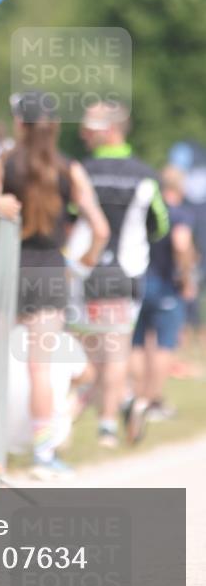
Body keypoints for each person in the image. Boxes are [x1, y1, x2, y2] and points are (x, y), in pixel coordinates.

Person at [0, 91, 109, 479]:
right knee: (41, 368)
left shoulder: (4, 162)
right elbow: (100, 230)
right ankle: (43, 455)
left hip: (6, 269)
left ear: (19, 123)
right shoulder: (69, 169)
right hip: (50, 272)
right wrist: (78, 262)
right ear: (54, 126)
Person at [68, 100, 169, 446]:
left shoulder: (81, 170)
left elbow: (69, 217)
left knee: (88, 354)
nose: (82, 135)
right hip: (126, 274)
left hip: (85, 272)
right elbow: (159, 226)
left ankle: (71, 418)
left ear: (107, 130)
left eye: (88, 129)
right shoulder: (146, 175)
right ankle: (109, 425)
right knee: (116, 352)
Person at [129, 165, 198, 423]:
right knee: (164, 344)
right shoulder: (179, 213)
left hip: (137, 281)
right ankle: (152, 402)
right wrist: (186, 275)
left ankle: (136, 396)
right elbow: (181, 243)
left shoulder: (146, 212)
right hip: (165, 285)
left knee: (136, 343)